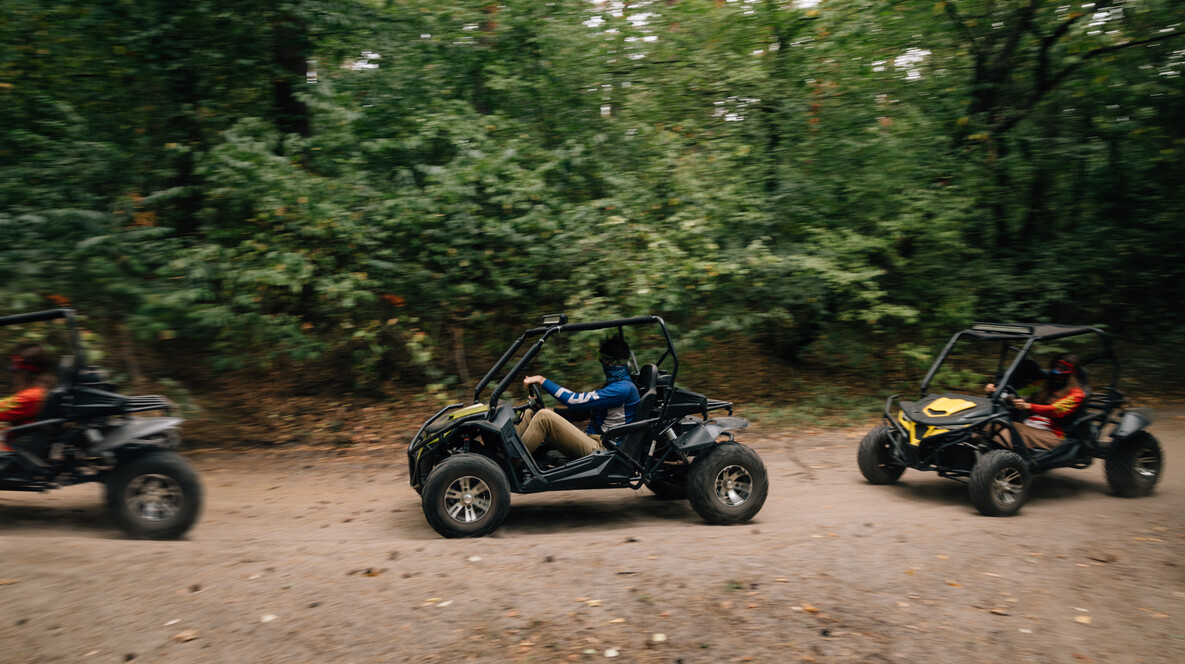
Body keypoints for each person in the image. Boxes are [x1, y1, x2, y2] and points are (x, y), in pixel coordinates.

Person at [514, 336, 641, 461]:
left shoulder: (622, 389)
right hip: (592, 439)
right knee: (531, 412)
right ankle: (503, 454)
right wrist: (551, 410)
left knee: (543, 417)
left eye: (602, 359)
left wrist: (541, 380)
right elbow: (582, 412)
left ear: (610, 361)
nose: (602, 363)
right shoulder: (616, 386)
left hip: (604, 449)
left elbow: (574, 401)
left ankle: (510, 463)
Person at [983, 354, 1085, 451]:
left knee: (1004, 430)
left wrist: (1028, 406)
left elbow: (1055, 409)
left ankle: (1001, 462)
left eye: (1062, 369)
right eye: (1055, 367)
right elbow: (1018, 393)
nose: (1056, 371)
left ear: (1073, 372)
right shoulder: (1044, 384)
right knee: (991, 424)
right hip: (1029, 425)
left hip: (1053, 434)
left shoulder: (1077, 394)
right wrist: (996, 390)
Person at [1, 344, 56, 452]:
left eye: (15, 368)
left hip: (15, 451)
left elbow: (2, 407)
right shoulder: (43, 391)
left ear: (22, 372)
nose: (13, 373)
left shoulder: (30, 397)